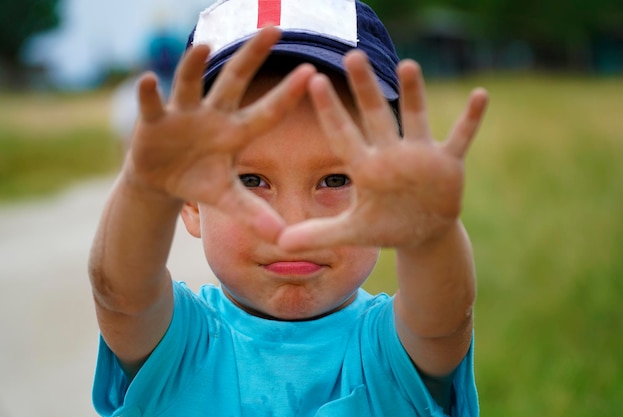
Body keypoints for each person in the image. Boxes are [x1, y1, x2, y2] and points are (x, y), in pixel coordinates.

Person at [88, 0, 489, 416]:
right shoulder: (178, 346)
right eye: (251, 181)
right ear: (189, 201)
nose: (292, 224)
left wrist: (432, 233)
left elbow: (447, 321)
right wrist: (144, 186)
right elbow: (119, 292)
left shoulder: (394, 353)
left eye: (335, 180)